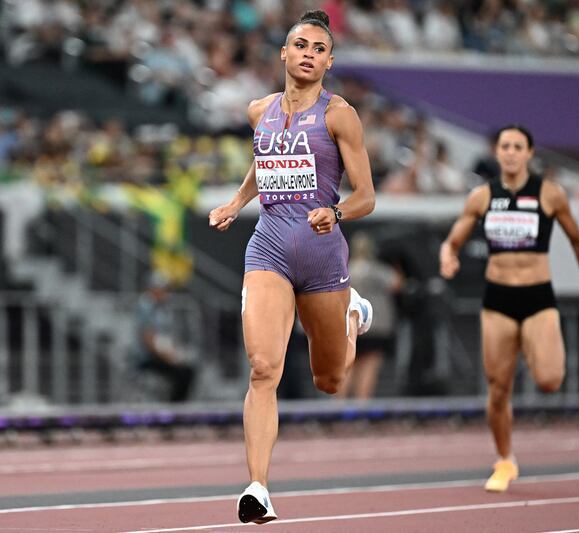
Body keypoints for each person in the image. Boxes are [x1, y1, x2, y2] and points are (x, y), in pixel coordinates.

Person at [207, 10, 375, 524]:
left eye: (319, 48)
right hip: (270, 249)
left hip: (323, 257)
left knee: (331, 379)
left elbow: (367, 195)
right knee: (263, 368)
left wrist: (337, 211)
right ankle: (258, 487)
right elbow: (265, 160)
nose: (308, 54)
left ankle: (352, 315)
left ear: (328, 60)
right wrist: (237, 203)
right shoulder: (259, 111)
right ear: (283, 53)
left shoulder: (339, 114)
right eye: (300, 45)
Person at [439, 124, 579, 493]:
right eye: (504, 146)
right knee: (498, 389)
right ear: (497, 153)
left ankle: (533, 346)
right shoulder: (482, 197)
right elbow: (452, 241)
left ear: (530, 153)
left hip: (537, 298)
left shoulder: (550, 194)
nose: (510, 152)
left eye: (517, 146)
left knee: (549, 380)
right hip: (497, 300)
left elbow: (578, 240)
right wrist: (448, 256)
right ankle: (504, 460)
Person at [337, 231, 401, 399]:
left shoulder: (344, 269)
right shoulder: (378, 270)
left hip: (349, 324)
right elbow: (396, 283)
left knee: (345, 366)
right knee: (368, 368)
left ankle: (337, 409)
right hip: (376, 326)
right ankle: (361, 408)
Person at [132, 272, 195, 403]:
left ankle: (176, 408)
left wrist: (176, 354)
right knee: (183, 373)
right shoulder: (145, 306)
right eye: (164, 289)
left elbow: (165, 336)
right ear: (155, 289)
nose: (167, 293)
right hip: (147, 357)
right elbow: (148, 338)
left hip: (160, 353)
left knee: (187, 369)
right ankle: (174, 412)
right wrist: (169, 358)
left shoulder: (162, 308)